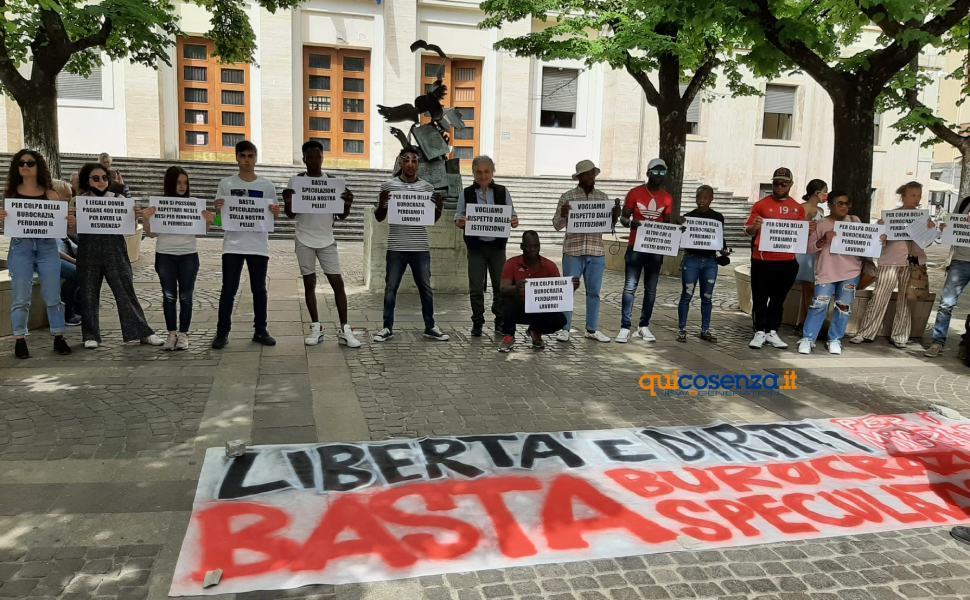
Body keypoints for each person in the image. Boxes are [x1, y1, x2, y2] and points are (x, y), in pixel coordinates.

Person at [72, 162, 163, 349]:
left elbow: (130, 228)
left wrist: (134, 216)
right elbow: (72, 231)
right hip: (88, 250)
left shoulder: (119, 199)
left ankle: (142, 332)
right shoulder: (78, 201)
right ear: (87, 180)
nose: (101, 181)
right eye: (95, 178)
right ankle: (90, 334)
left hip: (115, 249)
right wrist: (71, 221)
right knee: (88, 292)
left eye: (104, 178)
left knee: (125, 290)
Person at [282, 140, 361, 348]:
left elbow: (341, 215)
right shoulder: (296, 181)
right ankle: (316, 327)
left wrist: (348, 203)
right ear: (304, 159)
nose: (314, 161)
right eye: (310, 157)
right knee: (309, 283)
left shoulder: (333, 183)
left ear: (322, 157)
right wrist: (287, 201)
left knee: (337, 282)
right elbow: (290, 214)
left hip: (327, 239)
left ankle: (345, 328)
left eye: (318, 156)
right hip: (304, 238)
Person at [0, 150, 72, 358]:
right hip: (21, 247)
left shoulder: (50, 194)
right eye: (21, 163)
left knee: (53, 294)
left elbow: (59, 224)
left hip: (47, 247)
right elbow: (10, 225)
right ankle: (19, 339)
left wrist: (66, 219)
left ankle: (58, 336)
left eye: (30, 163)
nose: (25, 166)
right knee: (20, 296)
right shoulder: (11, 194)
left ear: (38, 167)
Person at [372, 146, 448, 342]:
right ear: (400, 161)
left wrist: (439, 208)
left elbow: (431, 219)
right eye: (406, 160)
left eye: (414, 160)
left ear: (418, 164)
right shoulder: (388, 186)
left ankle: (430, 326)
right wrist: (382, 203)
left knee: (426, 289)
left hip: (420, 247)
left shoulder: (427, 188)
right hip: (396, 247)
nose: (410, 164)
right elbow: (379, 217)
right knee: (391, 288)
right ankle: (387, 327)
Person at [211, 140, 281, 349]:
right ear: (236, 158)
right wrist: (217, 210)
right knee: (228, 290)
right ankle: (222, 332)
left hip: (258, 246)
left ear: (256, 158)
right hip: (232, 245)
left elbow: (272, 218)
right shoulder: (226, 184)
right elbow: (218, 221)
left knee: (259, 290)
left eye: (251, 156)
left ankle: (260, 330)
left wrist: (275, 212)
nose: (247, 160)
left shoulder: (267, 186)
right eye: (243, 156)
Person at [141, 166, 213, 351]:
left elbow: (202, 232)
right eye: (178, 182)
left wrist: (209, 222)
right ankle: (171, 333)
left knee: (186, 296)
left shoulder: (194, 204)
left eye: (185, 183)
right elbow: (151, 234)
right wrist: (146, 219)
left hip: (188, 255)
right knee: (169, 296)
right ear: (170, 183)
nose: (182, 186)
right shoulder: (160, 205)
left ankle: (183, 334)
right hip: (165, 255)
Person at [850, 181, 928, 348]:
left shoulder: (924, 218)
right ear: (903, 196)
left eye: (919, 195)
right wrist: (881, 233)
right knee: (879, 296)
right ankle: (865, 332)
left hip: (913, 263)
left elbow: (927, 242)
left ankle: (900, 336)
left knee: (906, 300)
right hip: (890, 261)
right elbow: (877, 239)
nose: (916, 198)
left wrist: (931, 230)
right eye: (913, 195)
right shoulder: (889, 217)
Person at [552, 159, 619, 343]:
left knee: (594, 292)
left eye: (592, 173)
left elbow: (609, 226)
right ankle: (565, 328)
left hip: (596, 251)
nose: (591, 176)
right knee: (568, 291)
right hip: (573, 251)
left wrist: (615, 216)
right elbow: (556, 225)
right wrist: (563, 214)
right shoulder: (567, 197)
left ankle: (591, 329)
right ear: (579, 177)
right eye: (587, 174)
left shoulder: (603, 198)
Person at [455, 155, 519, 337]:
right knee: (476, 286)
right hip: (476, 247)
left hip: (497, 247)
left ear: (492, 172)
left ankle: (500, 319)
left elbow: (512, 214)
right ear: (473, 173)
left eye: (486, 172)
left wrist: (514, 220)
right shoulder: (466, 193)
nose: (483, 176)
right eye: (478, 172)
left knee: (500, 285)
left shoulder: (502, 191)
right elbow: (458, 217)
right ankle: (477, 321)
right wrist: (461, 222)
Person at [744, 167, 807, 349]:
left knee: (778, 299)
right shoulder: (760, 205)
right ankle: (759, 331)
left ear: (790, 184)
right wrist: (754, 227)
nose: (779, 186)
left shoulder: (797, 208)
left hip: (787, 261)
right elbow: (748, 231)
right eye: (776, 183)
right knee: (760, 297)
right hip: (762, 260)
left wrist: (808, 230)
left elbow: (799, 236)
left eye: (783, 183)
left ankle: (772, 331)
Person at [797, 191, 865, 355]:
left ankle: (835, 339)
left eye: (847, 203)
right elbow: (809, 248)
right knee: (819, 305)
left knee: (843, 307)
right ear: (830, 205)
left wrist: (879, 240)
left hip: (851, 272)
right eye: (839, 203)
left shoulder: (855, 221)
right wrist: (823, 240)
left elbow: (865, 241)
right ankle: (808, 338)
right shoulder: (821, 224)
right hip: (826, 272)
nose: (844, 206)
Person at [616, 158, 673, 343]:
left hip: (655, 250)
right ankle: (625, 327)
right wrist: (630, 223)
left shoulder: (667, 197)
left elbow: (667, 223)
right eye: (655, 172)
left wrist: (676, 231)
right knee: (630, 287)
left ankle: (643, 326)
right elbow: (623, 218)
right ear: (648, 173)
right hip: (635, 247)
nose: (659, 175)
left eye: (662, 172)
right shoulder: (634, 193)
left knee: (651, 289)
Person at [498, 231, 578, 352]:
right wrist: (516, 288)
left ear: (539, 246)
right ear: (522, 247)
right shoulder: (512, 263)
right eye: (528, 246)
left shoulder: (549, 266)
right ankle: (509, 335)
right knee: (507, 299)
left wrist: (570, 287)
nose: (532, 249)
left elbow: (558, 293)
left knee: (560, 320)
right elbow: (503, 289)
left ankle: (535, 330)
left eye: (536, 246)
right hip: (518, 309)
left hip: (539, 310)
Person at [676, 184, 730, 343]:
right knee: (686, 295)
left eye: (705, 198)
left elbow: (719, 238)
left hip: (710, 261)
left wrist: (724, 251)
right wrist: (680, 226)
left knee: (707, 297)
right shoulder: (688, 217)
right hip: (691, 259)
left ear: (712, 198)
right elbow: (680, 238)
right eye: (699, 197)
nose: (702, 201)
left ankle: (705, 330)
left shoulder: (717, 217)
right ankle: (682, 330)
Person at [924, 194, 970, 359]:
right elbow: (952, 226)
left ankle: (967, 345)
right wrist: (947, 228)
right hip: (960, 260)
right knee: (946, 303)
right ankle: (938, 342)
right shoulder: (965, 202)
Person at [795, 179, 828, 331]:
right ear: (816, 193)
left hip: (816, 252)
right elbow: (798, 231)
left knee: (808, 289)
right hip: (805, 252)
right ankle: (808, 324)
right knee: (809, 288)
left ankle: (802, 321)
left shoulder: (820, 210)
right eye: (825, 192)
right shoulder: (802, 208)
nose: (826, 195)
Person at [57, 236, 81, 326]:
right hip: (53, 258)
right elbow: (55, 252)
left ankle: (79, 309)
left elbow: (74, 248)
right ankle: (67, 313)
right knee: (76, 273)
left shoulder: (64, 235)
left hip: (67, 257)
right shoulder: (50, 233)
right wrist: (74, 261)